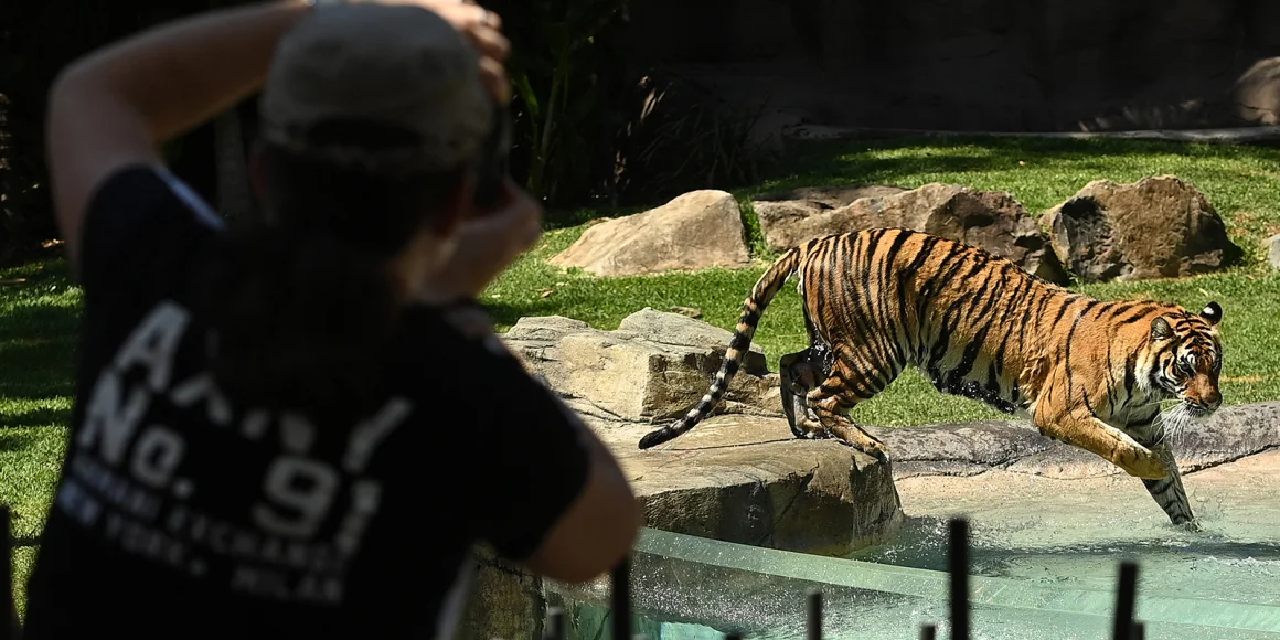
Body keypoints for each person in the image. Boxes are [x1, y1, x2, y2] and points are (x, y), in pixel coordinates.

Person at [22, 1, 641, 638]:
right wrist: (450, 303)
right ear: (456, 202)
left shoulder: (157, 269)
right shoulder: (458, 396)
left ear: (262, 172)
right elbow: (603, 531)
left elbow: (92, 93)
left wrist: (333, 18)